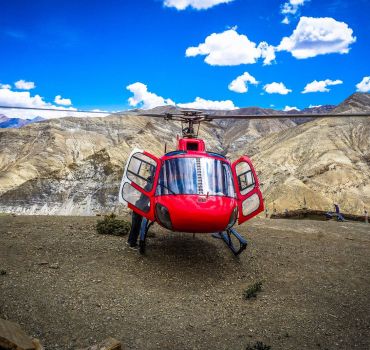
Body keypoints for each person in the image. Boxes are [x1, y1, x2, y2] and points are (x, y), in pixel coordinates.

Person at [127, 175, 153, 250]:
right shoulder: (150, 186)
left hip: (138, 206)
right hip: (139, 208)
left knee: (134, 225)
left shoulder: (148, 186)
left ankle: (130, 241)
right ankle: (132, 244)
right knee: (136, 226)